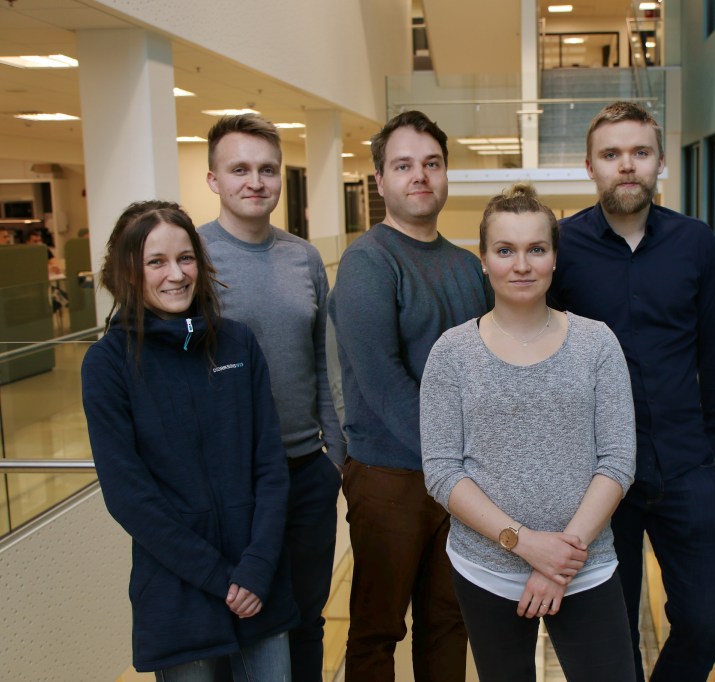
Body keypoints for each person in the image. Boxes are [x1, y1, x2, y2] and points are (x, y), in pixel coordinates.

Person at [420, 183, 637, 682]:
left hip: (585, 566)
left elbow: (618, 461)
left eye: (536, 249)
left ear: (554, 258)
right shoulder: (452, 353)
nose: (521, 265)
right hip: (486, 569)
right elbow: (442, 472)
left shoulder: (597, 343)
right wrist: (525, 545)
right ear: (483, 260)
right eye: (505, 250)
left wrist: (560, 557)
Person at [549, 101, 715, 681]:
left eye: (640, 152)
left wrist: (712, 441)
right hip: (598, 477)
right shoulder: (560, 246)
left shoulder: (695, 242)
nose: (626, 165)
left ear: (659, 162)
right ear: (590, 167)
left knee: (704, 624)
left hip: (685, 465)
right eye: (611, 154)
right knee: (612, 633)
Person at [81, 201, 298, 679]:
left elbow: (269, 464)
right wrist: (220, 578)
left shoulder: (238, 343)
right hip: (180, 588)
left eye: (185, 258)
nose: (176, 275)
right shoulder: (108, 364)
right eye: (156, 262)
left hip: (258, 582)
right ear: (128, 273)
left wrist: (257, 565)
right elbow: (130, 498)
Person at [328, 110, 485, 680]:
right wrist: (454, 461)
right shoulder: (368, 262)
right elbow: (382, 380)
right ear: (379, 180)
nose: (420, 175)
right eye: (403, 165)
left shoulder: (467, 265)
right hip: (390, 477)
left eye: (431, 163)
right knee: (377, 630)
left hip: (458, 479)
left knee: (448, 623)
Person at [198, 113, 343, 682]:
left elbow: (321, 361)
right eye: (240, 169)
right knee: (237, 621)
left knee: (307, 618)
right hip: (229, 479)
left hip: (305, 470)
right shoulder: (192, 258)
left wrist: (334, 456)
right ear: (214, 180)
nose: (255, 182)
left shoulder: (303, 258)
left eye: (267, 169)